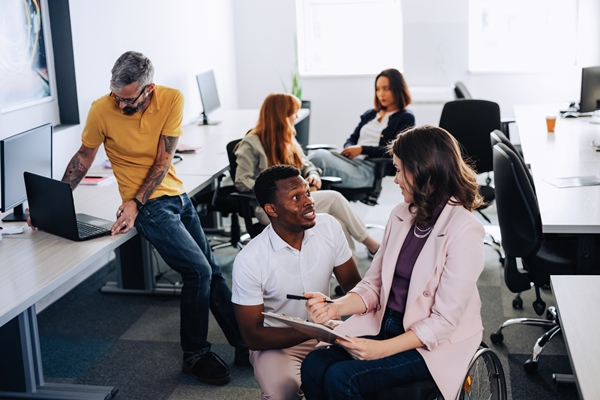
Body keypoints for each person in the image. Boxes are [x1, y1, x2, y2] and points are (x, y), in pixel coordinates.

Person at [56, 51, 247, 385]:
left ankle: (246, 343)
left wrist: (135, 202)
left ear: (149, 89)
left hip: (175, 195)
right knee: (198, 271)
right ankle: (195, 354)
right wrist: (58, 203)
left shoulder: (172, 98)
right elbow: (85, 157)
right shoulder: (101, 109)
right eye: (116, 96)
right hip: (149, 208)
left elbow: (163, 159)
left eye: (128, 99)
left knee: (212, 271)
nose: (121, 105)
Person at [300, 125, 486, 400]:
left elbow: (444, 321)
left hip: (433, 343)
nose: (396, 180)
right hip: (387, 324)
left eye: (399, 170)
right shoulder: (402, 215)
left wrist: (381, 350)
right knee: (314, 365)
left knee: (343, 377)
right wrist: (334, 307)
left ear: (423, 171)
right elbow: (374, 285)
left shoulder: (465, 230)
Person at [231, 165, 362, 400]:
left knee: (352, 382)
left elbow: (355, 286)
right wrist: (317, 331)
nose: (309, 201)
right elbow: (252, 336)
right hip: (276, 343)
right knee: (282, 393)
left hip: (332, 334)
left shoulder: (329, 227)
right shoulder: (250, 260)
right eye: (295, 197)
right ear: (272, 209)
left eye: (308, 193)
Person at [234, 93, 380, 257]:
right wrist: (273, 192)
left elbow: (307, 165)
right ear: (281, 115)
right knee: (334, 198)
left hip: (296, 202)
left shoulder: (287, 138)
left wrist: (313, 175)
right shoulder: (252, 142)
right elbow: (241, 181)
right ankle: (372, 245)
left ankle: (348, 275)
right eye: (293, 113)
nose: (296, 117)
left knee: (337, 223)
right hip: (272, 209)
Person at [308, 68, 415, 194]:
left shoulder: (405, 117)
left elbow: (395, 150)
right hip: (351, 161)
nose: (381, 94)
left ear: (398, 88)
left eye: (386, 88)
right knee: (316, 155)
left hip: (368, 170)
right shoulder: (370, 114)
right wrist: (349, 149)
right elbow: (352, 138)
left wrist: (361, 149)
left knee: (319, 157)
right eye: (378, 89)